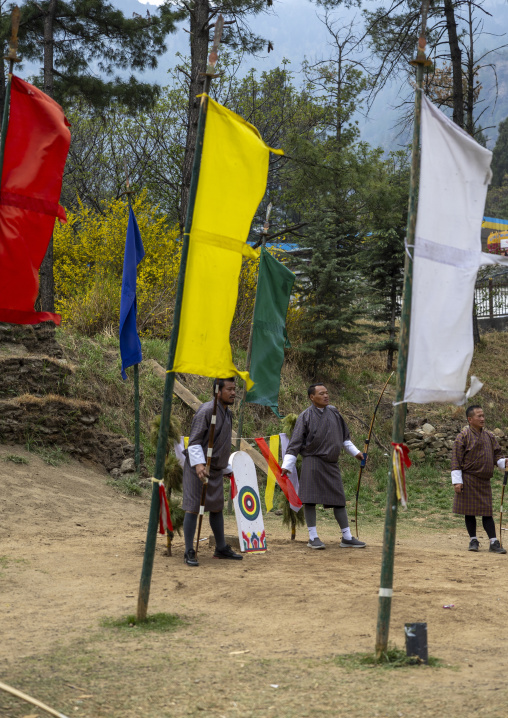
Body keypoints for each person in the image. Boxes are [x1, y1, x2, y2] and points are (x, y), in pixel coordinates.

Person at [280, 383, 366, 549]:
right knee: (310, 500)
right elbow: (295, 443)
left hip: (331, 463)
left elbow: (344, 439)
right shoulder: (305, 416)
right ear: (312, 397)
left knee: (339, 500)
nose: (326, 396)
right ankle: (313, 537)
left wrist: (357, 453)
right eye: (321, 393)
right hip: (312, 461)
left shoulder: (334, 412)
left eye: (327, 392)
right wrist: (287, 465)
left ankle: (347, 537)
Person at [182, 377, 243, 566]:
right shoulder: (207, 411)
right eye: (230, 389)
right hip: (197, 468)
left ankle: (221, 547)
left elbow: (222, 444)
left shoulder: (228, 413)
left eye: (235, 389)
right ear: (218, 391)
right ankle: (189, 550)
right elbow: (194, 441)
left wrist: (226, 467)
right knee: (193, 508)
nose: (234, 393)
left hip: (215, 468)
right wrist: (199, 464)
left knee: (216, 508)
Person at [451, 405, 507, 554]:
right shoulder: (462, 436)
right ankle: (473, 540)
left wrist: (504, 462)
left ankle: (494, 542)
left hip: (484, 481)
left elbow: (498, 456)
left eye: (483, 416)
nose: (482, 419)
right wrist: (457, 481)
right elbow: (456, 460)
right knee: (469, 512)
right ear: (470, 419)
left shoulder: (489, 436)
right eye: (479, 416)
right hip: (468, 479)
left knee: (487, 512)